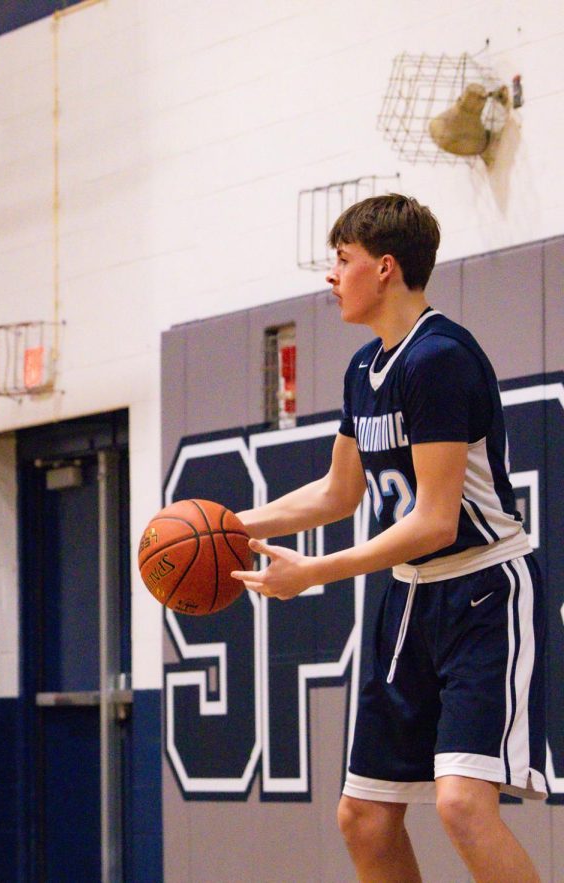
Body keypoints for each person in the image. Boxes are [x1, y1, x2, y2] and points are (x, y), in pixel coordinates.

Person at [231, 194, 544, 882]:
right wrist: (230, 524)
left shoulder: (437, 358)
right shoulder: (362, 370)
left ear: (386, 267)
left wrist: (314, 572)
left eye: (342, 260)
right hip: (409, 600)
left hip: (482, 591)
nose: (330, 276)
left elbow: (435, 520)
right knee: (365, 817)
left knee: (462, 804)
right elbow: (337, 493)